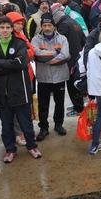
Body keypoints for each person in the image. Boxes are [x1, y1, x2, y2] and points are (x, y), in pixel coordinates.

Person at [0, 16, 41, 163]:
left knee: (26, 123)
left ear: (12, 29)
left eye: (7, 28)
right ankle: (10, 150)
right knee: (7, 124)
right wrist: (9, 64)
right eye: (2, 27)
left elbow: (21, 63)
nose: (5, 30)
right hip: (3, 92)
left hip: (20, 90)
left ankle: (32, 146)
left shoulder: (20, 43)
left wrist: (0, 63)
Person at [32, 13, 70, 141]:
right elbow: (36, 53)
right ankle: (43, 128)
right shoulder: (35, 40)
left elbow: (65, 55)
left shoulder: (63, 39)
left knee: (59, 103)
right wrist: (55, 53)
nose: (47, 28)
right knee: (43, 104)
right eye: (44, 25)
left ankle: (58, 124)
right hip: (43, 77)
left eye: (49, 25)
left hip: (59, 77)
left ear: (54, 26)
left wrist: (45, 59)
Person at [5, 11, 35, 145]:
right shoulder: (12, 39)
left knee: (26, 105)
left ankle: (24, 130)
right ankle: (18, 133)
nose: (20, 26)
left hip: (27, 74)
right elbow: (26, 55)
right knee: (18, 106)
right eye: (17, 23)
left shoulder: (21, 35)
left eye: (21, 23)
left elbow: (30, 51)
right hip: (18, 77)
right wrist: (28, 53)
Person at [51, 3, 85, 117]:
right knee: (75, 83)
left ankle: (79, 107)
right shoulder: (74, 22)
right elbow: (83, 40)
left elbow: (58, 43)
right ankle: (77, 105)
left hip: (69, 60)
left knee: (71, 85)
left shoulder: (63, 25)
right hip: (77, 58)